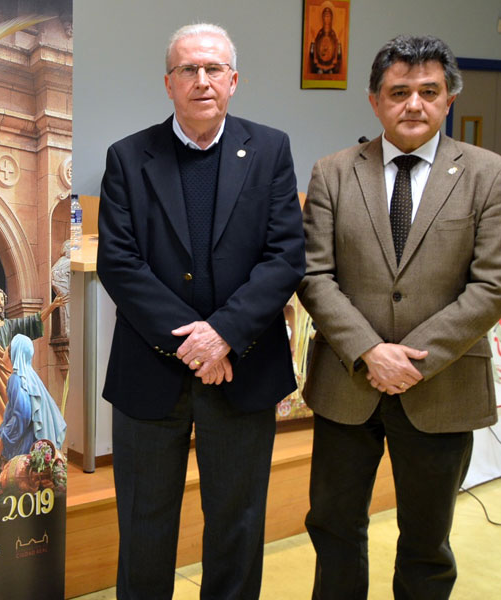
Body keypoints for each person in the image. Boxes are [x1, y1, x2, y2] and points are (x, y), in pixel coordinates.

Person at [97, 23, 304, 599]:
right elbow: (119, 263)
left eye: (213, 69)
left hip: (243, 369)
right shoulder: (127, 157)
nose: (202, 80)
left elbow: (285, 256)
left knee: (237, 528)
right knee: (143, 529)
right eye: (188, 69)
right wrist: (195, 344)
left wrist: (225, 334)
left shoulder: (270, 150)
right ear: (168, 83)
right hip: (150, 373)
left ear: (234, 80)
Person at [298, 35, 501, 599]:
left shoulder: (488, 174)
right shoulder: (334, 172)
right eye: (399, 92)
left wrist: (412, 360)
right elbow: (313, 275)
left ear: (449, 98)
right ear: (374, 100)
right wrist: (369, 351)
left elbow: (492, 284)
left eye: (429, 92)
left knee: (427, 542)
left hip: (443, 386)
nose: (414, 104)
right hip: (347, 384)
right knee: (334, 528)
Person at [0, 286, 66, 433]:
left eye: (2, 300)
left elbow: (33, 321)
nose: (0, 303)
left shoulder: (10, 326)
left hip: (7, 378)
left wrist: (52, 306)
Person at [309, 4, 342, 74]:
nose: (327, 18)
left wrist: (339, 43)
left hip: (331, 67)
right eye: (325, 16)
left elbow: (338, 54)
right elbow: (312, 52)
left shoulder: (333, 34)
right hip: (319, 66)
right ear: (322, 18)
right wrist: (313, 41)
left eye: (328, 16)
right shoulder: (319, 33)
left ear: (331, 18)